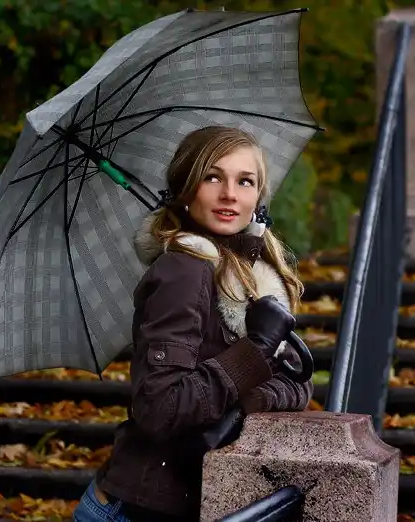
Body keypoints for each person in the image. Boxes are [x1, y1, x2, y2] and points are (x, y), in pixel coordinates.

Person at [73, 125, 314, 522]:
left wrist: (241, 408)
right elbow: (160, 408)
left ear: (258, 196)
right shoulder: (183, 272)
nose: (230, 194)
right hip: (133, 512)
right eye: (212, 177)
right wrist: (255, 351)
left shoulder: (248, 276)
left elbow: (299, 383)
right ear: (186, 189)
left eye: (245, 181)